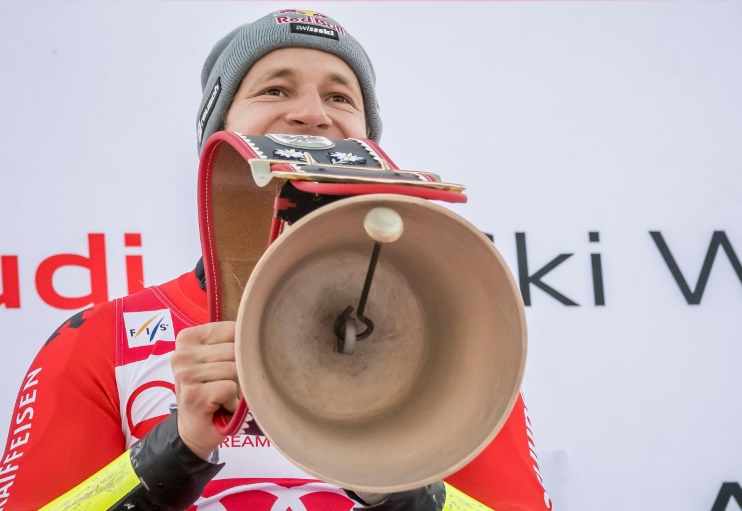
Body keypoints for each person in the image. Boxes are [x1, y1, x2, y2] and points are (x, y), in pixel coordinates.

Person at [0, 9, 551, 510]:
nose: (312, 114)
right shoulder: (102, 338)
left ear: (370, 145)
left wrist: (400, 478)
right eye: (273, 89)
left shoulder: (453, 344)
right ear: (217, 136)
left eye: (340, 98)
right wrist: (180, 446)